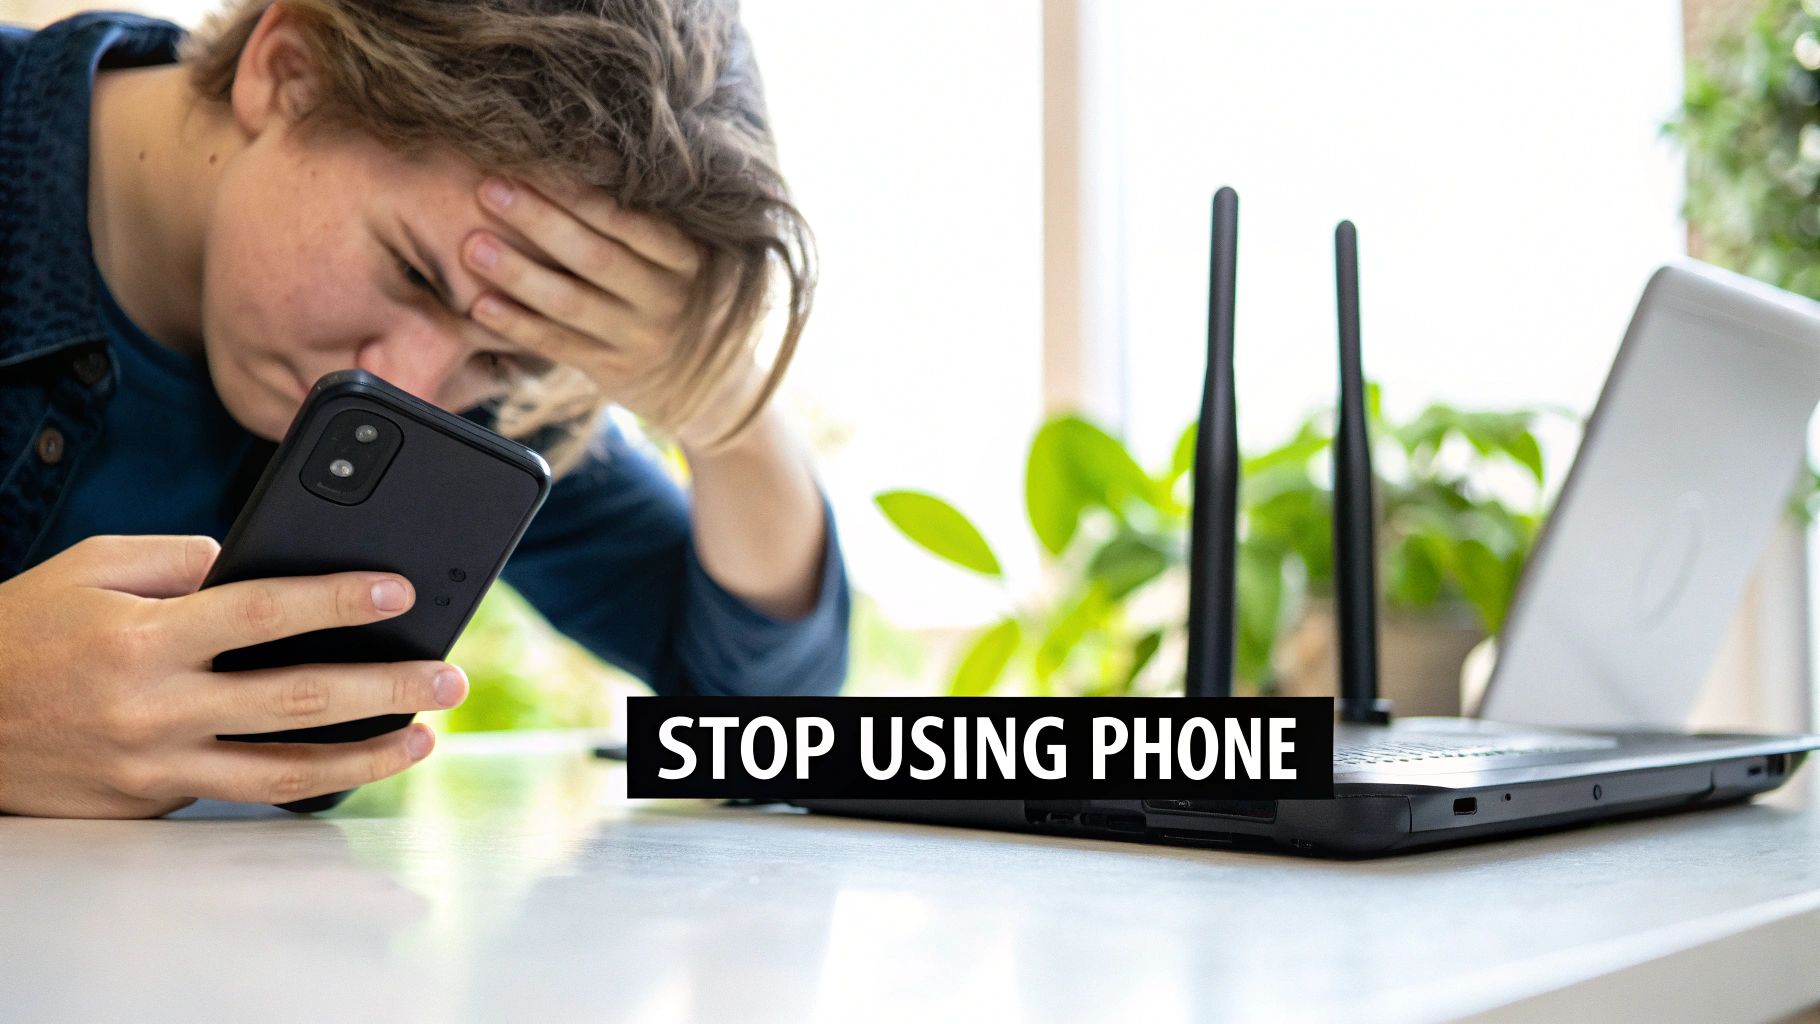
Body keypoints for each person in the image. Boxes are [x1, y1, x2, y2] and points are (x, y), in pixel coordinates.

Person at [0, 0, 850, 818]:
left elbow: (768, 722)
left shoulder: (473, 390)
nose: (411, 386)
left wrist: (723, 404)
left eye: (501, 352)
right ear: (286, 71)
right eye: (411, 271)